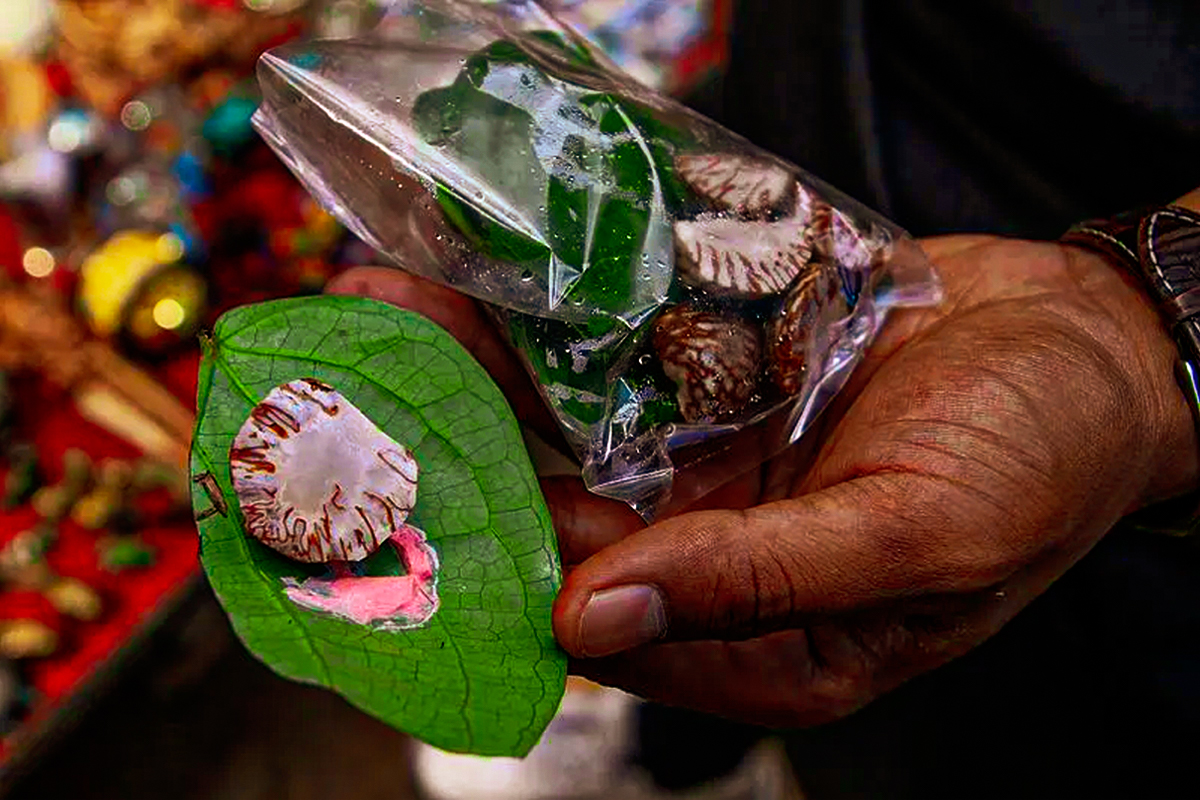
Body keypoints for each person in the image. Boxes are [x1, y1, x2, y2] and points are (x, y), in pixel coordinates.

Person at [330, 3, 1200, 796]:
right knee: (793, 661)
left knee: (1032, 722)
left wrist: (1144, 327)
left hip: (1127, 522)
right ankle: (685, 759)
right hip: (810, 179)